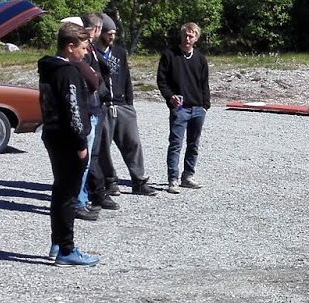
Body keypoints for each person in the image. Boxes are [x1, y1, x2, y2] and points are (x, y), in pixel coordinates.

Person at [38, 22, 99, 266]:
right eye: (83, 48)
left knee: (60, 190)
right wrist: (81, 143)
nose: (85, 52)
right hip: (67, 139)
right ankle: (66, 249)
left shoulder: (48, 68)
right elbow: (73, 110)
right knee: (68, 195)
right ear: (70, 46)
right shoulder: (68, 72)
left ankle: (57, 242)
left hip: (52, 134)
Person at [95, 12, 159, 196]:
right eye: (109, 33)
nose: (112, 37)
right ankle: (110, 181)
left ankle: (139, 181)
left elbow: (126, 78)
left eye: (114, 34)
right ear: (101, 33)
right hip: (104, 106)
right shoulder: (92, 53)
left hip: (122, 104)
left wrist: (130, 104)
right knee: (103, 147)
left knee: (133, 143)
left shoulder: (119, 52)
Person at [70, 14, 116, 217]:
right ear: (97, 29)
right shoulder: (83, 52)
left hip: (96, 106)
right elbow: (91, 79)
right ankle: (79, 201)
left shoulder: (90, 50)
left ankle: (88, 195)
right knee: (85, 158)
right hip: (89, 108)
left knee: (91, 156)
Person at [155, 21, 209, 193]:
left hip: (198, 108)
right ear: (181, 36)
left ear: (196, 38)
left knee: (193, 144)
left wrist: (205, 106)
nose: (187, 38)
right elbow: (162, 80)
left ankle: (188, 176)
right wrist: (170, 97)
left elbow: (205, 84)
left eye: (191, 36)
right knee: (175, 144)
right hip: (179, 108)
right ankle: (173, 179)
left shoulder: (200, 59)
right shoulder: (169, 55)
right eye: (185, 35)